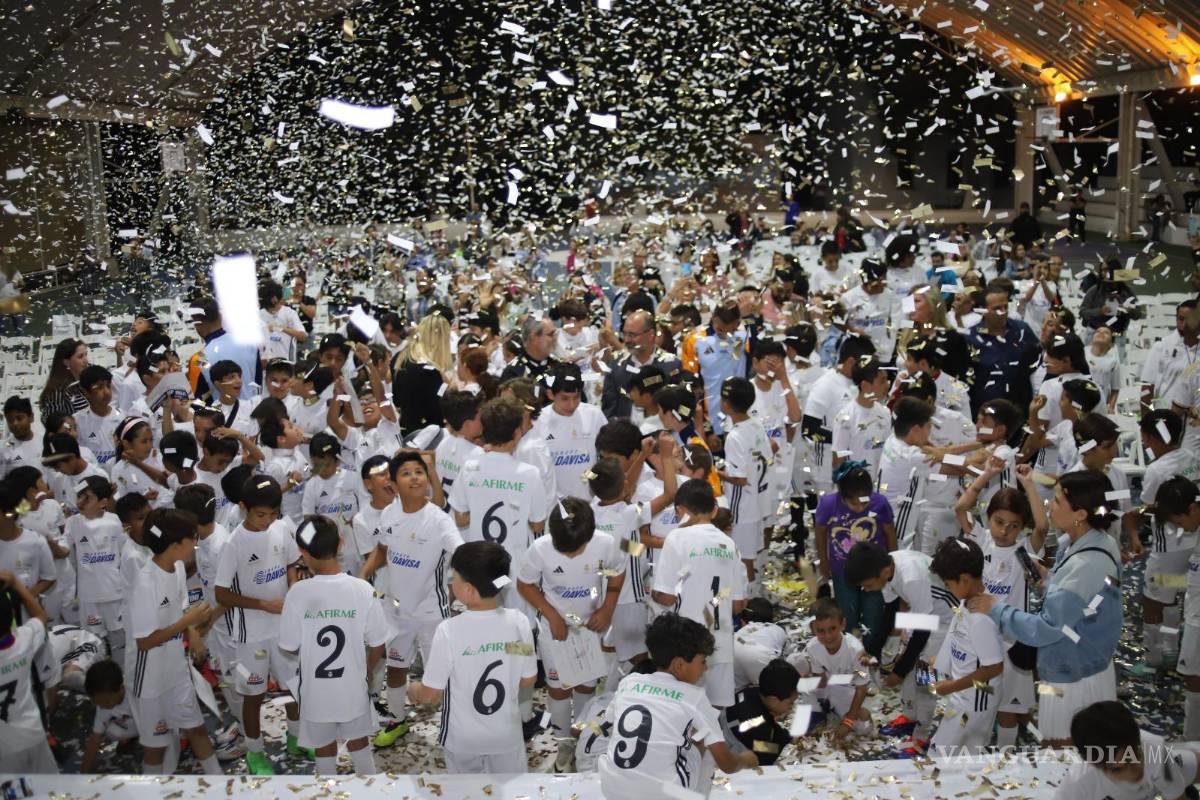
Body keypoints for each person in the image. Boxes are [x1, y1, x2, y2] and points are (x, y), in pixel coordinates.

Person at [966, 471, 1123, 748]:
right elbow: (1081, 604)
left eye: (1058, 500)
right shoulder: (1091, 542)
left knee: (1064, 750)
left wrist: (996, 609)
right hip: (1082, 662)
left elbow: (1049, 628)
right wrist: (1049, 580)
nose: (1050, 504)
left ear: (1081, 514)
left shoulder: (1085, 564)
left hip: (1075, 677)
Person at [359, 451, 463, 746]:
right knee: (397, 666)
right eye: (406, 473)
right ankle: (396, 719)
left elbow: (461, 551)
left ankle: (452, 724)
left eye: (419, 471)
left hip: (432, 612)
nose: (415, 477)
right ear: (393, 482)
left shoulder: (440, 520)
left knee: (442, 672)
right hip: (397, 609)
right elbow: (382, 550)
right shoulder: (390, 513)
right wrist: (363, 572)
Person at [408, 541, 538, 774]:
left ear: (468, 589)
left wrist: (414, 689)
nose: (451, 582)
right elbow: (528, 679)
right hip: (506, 735)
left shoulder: (449, 631)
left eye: (454, 577)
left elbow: (430, 694)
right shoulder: (519, 623)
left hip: (463, 739)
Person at [598, 613, 758, 798]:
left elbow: (609, 722)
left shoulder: (629, 682)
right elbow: (727, 764)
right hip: (663, 795)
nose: (705, 668)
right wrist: (746, 760)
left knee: (687, 735)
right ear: (679, 665)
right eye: (702, 662)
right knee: (705, 746)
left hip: (612, 789)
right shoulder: (694, 697)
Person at [517, 497, 624, 771]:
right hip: (554, 631)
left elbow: (617, 573)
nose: (573, 556)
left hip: (589, 627)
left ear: (589, 535)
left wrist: (608, 609)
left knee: (586, 686)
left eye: (577, 550)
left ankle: (582, 734)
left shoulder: (606, 543)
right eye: (566, 552)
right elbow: (524, 584)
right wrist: (551, 615)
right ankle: (563, 740)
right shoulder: (539, 549)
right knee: (559, 688)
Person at [279, 516, 389, 776]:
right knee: (360, 746)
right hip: (352, 689)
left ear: (302, 553)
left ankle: (327, 788)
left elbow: (290, 646)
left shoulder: (297, 593)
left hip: (317, 693)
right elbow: (378, 643)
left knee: (323, 750)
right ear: (341, 543)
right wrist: (366, 670)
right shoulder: (362, 590)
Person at [213, 475, 306, 774]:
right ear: (243, 508)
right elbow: (221, 593)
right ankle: (255, 752)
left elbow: (292, 562)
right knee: (254, 696)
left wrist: (291, 586)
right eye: (260, 514)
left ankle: (296, 737)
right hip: (250, 634)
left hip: (282, 626)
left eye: (273, 514)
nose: (267, 520)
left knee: (293, 686)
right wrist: (263, 605)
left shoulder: (281, 529)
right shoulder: (234, 543)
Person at [127, 509, 223, 775]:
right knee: (155, 748)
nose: (195, 543)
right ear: (174, 545)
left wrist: (192, 634)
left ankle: (219, 786)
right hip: (150, 680)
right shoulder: (145, 583)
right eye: (191, 538)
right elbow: (145, 642)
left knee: (196, 729)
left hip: (176, 670)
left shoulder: (178, 567)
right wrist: (186, 623)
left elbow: (180, 609)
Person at [843, 541, 957, 753]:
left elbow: (923, 631)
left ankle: (922, 736)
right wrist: (873, 649)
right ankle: (910, 716)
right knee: (908, 665)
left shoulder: (912, 578)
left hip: (946, 621)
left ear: (884, 572)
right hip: (923, 616)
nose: (864, 590)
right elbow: (891, 612)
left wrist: (899, 671)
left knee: (924, 678)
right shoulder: (888, 565)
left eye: (867, 585)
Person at [652, 479, 747, 710]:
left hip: (686, 646)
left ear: (679, 511)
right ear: (714, 510)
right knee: (714, 713)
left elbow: (665, 596)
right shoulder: (729, 544)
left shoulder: (677, 538)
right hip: (721, 642)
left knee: (683, 711)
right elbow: (738, 605)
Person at [1130, 411, 1198, 673]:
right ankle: (1170, 648)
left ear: (1149, 437)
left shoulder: (1157, 469)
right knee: (1175, 595)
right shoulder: (1192, 457)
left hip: (1167, 547)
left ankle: (1152, 659)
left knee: (1152, 600)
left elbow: (1148, 506)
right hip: (1191, 545)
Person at [927, 537, 1005, 754]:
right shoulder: (966, 600)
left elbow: (994, 668)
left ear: (964, 580)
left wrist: (951, 686)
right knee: (954, 753)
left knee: (951, 755)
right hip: (962, 694)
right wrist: (941, 660)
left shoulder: (981, 619)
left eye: (948, 584)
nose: (947, 588)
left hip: (977, 698)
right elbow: (956, 632)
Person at [814, 463, 895, 655]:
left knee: (873, 616)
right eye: (854, 504)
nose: (860, 508)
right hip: (843, 572)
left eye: (864, 503)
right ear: (842, 496)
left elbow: (890, 534)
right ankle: (850, 656)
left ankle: (871, 655)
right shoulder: (828, 504)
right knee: (847, 615)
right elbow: (820, 532)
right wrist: (824, 562)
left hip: (875, 574)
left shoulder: (880, 503)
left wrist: (893, 564)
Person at [1056, 700, 1199, 800]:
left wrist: (1175, 790)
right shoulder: (1078, 784)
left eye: (1135, 756)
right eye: (1119, 768)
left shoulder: (1154, 749)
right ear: (1094, 765)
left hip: (1160, 773)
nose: (1136, 771)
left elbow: (1177, 797)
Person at [717, 376, 772, 588]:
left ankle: (748, 605)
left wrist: (718, 473)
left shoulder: (734, 436)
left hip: (743, 507)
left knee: (742, 559)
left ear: (727, 404)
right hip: (759, 501)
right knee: (751, 555)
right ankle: (754, 595)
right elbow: (769, 454)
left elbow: (740, 479)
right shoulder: (756, 425)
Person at [0, 569, 57, 773]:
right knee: (47, 789)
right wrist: (16, 583)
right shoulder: (23, 641)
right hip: (33, 734)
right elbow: (40, 616)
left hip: (4, 748)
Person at [791, 598, 873, 739]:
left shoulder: (855, 650)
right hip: (827, 681)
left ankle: (828, 707)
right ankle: (821, 708)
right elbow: (821, 678)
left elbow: (861, 688)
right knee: (794, 663)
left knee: (864, 728)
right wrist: (807, 682)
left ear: (843, 624)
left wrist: (848, 721)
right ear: (813, 629)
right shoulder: (812, 647)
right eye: (821, 631)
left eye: (832, 629)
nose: (828, 636)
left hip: (846, 686)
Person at [532, 363, 607, 500]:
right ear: (550, 394)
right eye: (565, 398)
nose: (572, 405)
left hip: (590, 503)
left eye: (576, 397)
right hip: (554, 508)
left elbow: (608, 456)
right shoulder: (538, 422)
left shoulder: (594, 415)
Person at [968, 283, 1041, 414]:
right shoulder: (970, 338)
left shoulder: (1022, 330)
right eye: (997, 308)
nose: (1003, 312)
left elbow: (1038, 364)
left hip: (1020, 411)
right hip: (985, 413)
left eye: (1005, 306)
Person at [600, 309, 682, 421]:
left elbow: (678, 409)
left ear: (650, 335)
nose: (627, 340)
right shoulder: (616, 365)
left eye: (632, 335)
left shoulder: (671, 365)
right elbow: (608, 410)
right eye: (625, 334)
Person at [724, 657, 801, 763]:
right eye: (790, 703)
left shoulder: (752, 690)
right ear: (773, 700)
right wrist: (784, 741)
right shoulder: (760, 727)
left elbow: (769, 724)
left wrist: (788, 738)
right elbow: (766, 755)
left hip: (730, 721)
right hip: (731, 746)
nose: (791, 707)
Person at [190, 298, 262, 401]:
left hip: (223, 415)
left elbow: (199, 401)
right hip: (255, 410)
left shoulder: (200, 359)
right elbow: (258, 382)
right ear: (220, 316)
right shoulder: (249, 344)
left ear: (197, 324)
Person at [392, 314, 453, 434]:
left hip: (404, 429)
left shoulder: (398, 358)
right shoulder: (431, 371)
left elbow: (397, 400)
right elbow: (439, 410)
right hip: (427, 436)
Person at [38, 337, 91, 422]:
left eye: (86, 354)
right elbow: (52, 424)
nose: (86, 361)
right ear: (66, 362)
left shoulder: (87, 379)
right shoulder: (57, 392)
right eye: (80, 357)